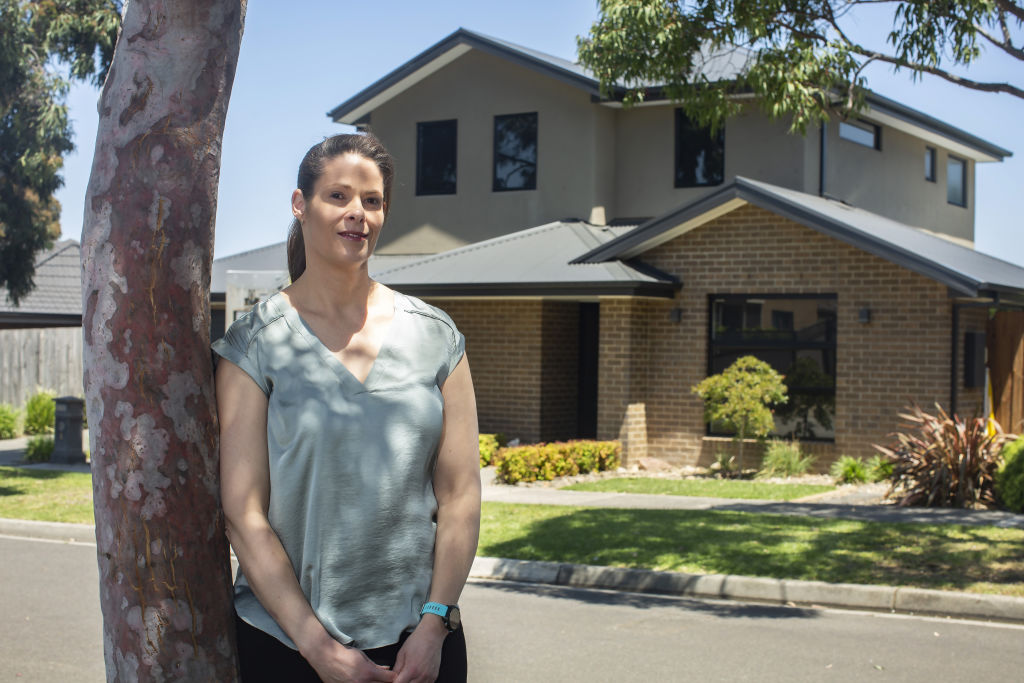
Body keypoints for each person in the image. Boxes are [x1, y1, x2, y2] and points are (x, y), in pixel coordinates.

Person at [214, 133, 481, 682]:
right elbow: (244, 514)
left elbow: (460, 496)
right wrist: (319, 650)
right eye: (338, 196)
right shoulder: (256, 342)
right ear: (299, 205)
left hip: (421, 650)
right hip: (287, 649)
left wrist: (434, 625)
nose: (357, 213)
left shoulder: (436, 336)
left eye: (372, 200)